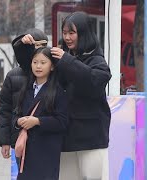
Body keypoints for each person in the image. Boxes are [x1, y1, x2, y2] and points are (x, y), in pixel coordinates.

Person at [22, 11, 112, 180]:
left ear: (84, 33)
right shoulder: (62, 57)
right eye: (65, 33)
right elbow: (37, 67)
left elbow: (94, 82)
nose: (67, 37)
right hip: (65, 137)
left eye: (72, 33)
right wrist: (25, 47)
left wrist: (66, 60)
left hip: (91, 140)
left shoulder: (96, 60)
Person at [14, 47, 68, 180]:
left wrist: (38, 121)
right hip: (27, 151)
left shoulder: (58, 91)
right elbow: (15, 113)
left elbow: (62, 121)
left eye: (43, 63)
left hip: (47, 151)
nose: (38, 66)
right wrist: (18, 121)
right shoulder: (26, 88)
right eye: (35, 62)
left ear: (52, 67)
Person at [0, 28, 48, 159]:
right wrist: (5, 141)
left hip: (45, 137)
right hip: (19, 138)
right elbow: (4, 110)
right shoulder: (12, 76)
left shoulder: (53, 73)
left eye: (44, 46)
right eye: (36, 46)